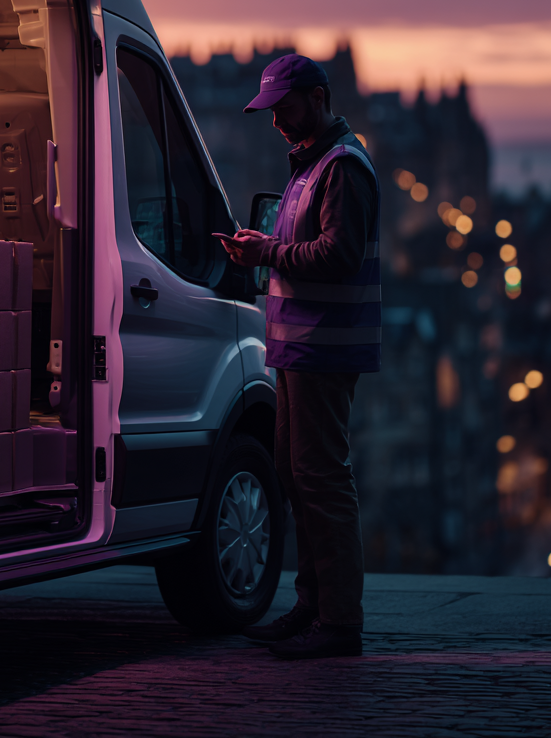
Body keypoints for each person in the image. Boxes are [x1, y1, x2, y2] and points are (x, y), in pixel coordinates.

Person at [219, 53, 380, 660]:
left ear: (316, 97)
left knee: (322, 478)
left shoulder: (343, 167)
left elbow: (338, 256)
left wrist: (267, 253)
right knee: (296, 474)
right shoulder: (308, 168)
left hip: (324, 348)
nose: (276, 121)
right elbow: (300, 248)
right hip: (295, 346)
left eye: (283, 108)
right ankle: (312, 607)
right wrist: (262, 249)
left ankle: (339, 622)